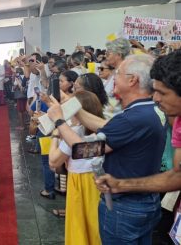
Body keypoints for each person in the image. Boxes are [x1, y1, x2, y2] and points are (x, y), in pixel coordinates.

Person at [48, 54, 166, 244]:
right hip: (144, 200)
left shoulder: (131, 119)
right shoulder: (147, 111)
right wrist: (74, 107)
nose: (112, 78)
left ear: (132, 80)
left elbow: (83, 150)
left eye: (117, 73)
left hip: (125, 206)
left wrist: (59, 121)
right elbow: (106, 126)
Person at [95, 50, 181, 193]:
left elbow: (86, 149)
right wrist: (120, 185)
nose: (156, 98)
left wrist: (59, 122)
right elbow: (177, 175)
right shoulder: (177, 119)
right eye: (155, 91)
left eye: (163, 93)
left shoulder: (136, 117)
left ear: (133, 79)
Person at [48, 91, 104, 244]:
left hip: (81, 183)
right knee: (96, 226)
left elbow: (53, 162)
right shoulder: (104, 129)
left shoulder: (72, 132)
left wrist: (55, 136)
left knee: (79, 226)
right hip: (100, 182)